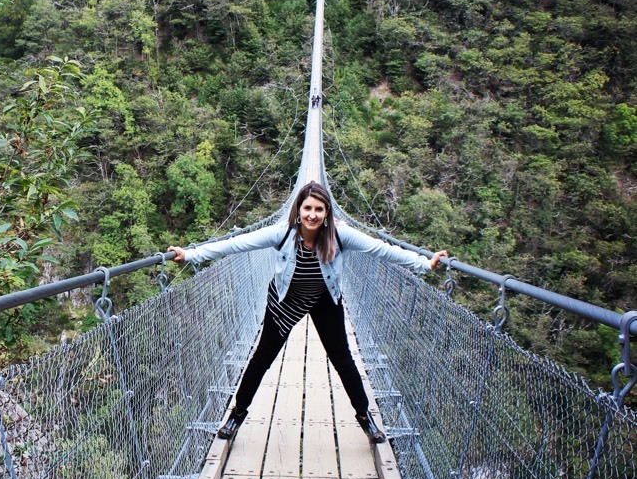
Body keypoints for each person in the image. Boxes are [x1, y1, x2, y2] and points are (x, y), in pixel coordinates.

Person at [168, 181, 448, 444]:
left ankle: (365, 418)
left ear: (327, 213)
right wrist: (191, 254)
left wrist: (424, 263)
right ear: (298, 210)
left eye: (319, 209)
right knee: (261, 359)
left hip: (325, 299)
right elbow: (237, 243)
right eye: (307, 208)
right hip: (285, 301)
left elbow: (381, 249)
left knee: (343, 361)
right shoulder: (284, 232)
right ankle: (236, 416)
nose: (312, 215)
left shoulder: (339, 234)